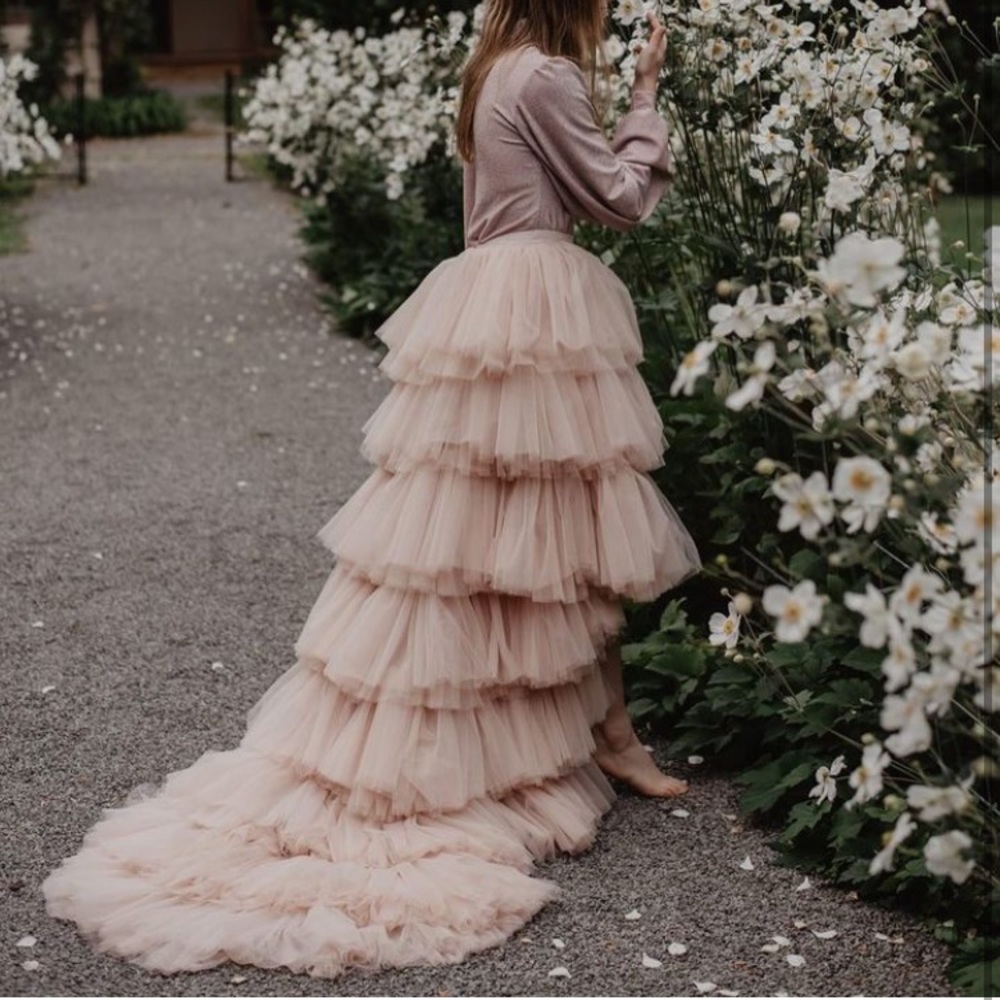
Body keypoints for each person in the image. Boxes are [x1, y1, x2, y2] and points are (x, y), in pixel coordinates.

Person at [41, 0, 701, 979]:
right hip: (535, 309)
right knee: (553, 542)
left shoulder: (495, 65)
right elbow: (615, 197)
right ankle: (600, 733)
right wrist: (646, 102)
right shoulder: (550, 76)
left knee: (507, 546)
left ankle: (606, 729)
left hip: (488, 298)